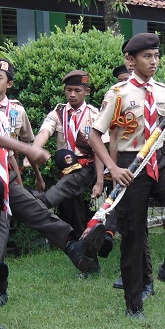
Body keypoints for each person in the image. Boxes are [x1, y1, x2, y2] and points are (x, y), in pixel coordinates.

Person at [0, 58, 104, 329]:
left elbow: (6, 152)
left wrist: (21, 174)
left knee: (38, 212)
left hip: (5, 176)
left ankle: (75, 247)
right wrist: (29, 150)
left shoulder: (0, 113)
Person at [89, 32, 165, 319]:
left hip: (156, 161)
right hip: (130, 164)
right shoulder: (118, 93)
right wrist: (113, 169)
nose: (154, 61)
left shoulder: (164, 92)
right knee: (134, 236)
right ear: (131, 60)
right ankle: (133, 303)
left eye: (156, 56)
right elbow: (94, 135)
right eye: (147, 56)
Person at [33, 70, 104, 238]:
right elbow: (45, 132)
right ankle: (80, 240)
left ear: (87, 91)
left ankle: (38, 203)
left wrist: (100, 182)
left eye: (77, 90)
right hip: (65, 168)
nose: (72, 94)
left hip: (86, 167)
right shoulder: (57, 114)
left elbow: (99, 151)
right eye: (68, 90)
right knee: (72, 205)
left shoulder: (94, 115)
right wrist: (35, 148)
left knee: (66, 186)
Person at [0, 58, 35, 306]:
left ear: (9, 83)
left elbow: (28, 142)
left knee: (3, 229)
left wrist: (32, 173)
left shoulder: (17, 111)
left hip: (11, 177)